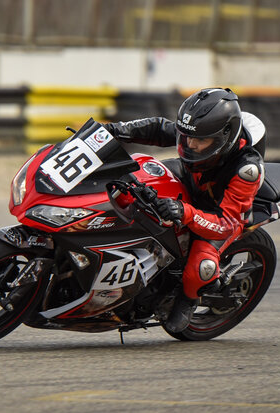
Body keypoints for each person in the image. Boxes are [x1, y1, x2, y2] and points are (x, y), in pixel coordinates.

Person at [103, 88, 266, 333]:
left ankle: (188, 299)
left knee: (199, 270)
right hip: (194, 177)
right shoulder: (196, 134)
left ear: (224, 137)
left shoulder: (246, 171)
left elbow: (226, 224)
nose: (190, 144)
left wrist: (184, 211)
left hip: (222, 210)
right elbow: (158, 128)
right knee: (137, 177)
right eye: (187, 137)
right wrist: (115, 131)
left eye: (200, 141)